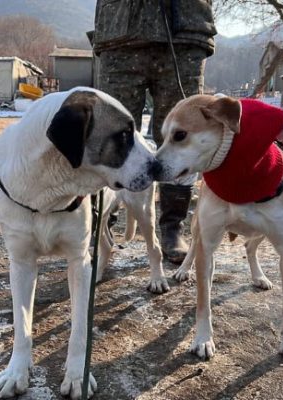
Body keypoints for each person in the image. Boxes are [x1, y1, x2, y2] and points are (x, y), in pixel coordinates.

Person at [93, 0, 217, 263]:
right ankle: (101, 223)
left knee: (183, 136)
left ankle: (172, 228)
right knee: (112, 138)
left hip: (185, 29)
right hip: (119, 30)